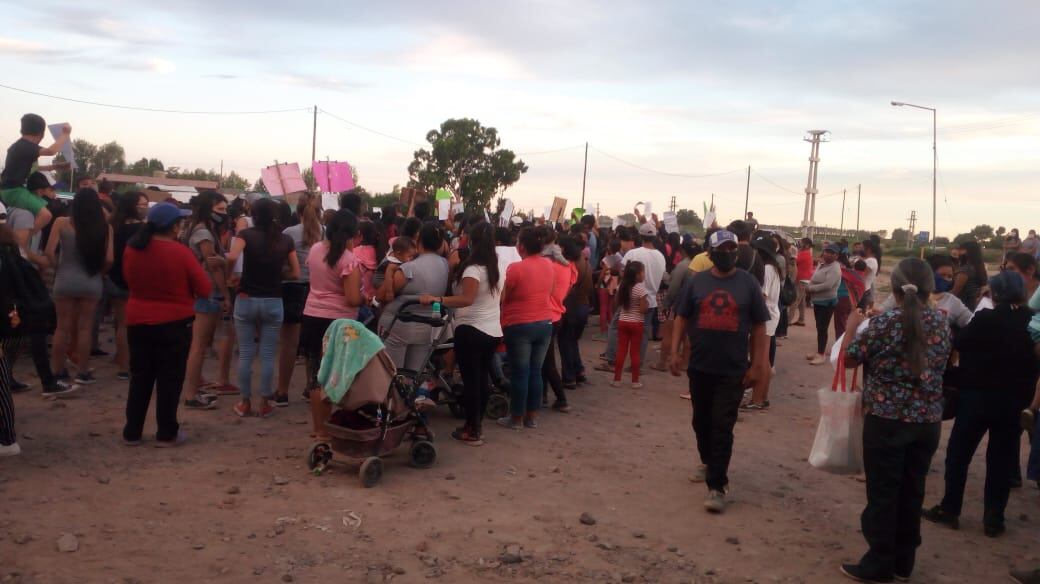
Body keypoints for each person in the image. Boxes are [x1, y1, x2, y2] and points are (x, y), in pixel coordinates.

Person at [838, 258, 952, 583]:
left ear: (896, 288)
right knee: (913, 490)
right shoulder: (942, 323)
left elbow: (848, 359)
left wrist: (850, 329)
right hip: (927, 420)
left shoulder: (885, 323)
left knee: (884, 493)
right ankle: (904, 561)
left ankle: (879, 563)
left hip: (887, 420)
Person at [922, 271, 1037, 538]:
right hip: (1015, 400)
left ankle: (950, 509)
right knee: (1001, 459)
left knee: (960, 453)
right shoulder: (1032, 319)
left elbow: (960, 342)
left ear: (993, 294)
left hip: (977, 396)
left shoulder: (986, 318)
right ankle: (994, 520)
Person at [669, 229, 769, 513]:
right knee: (701, 421)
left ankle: (717, 485)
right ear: (710, 254)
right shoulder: (697, 282)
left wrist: (758, 364)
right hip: (700, 366)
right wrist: (675, 351)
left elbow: (760, 326)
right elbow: (682, 317)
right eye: (721, 249)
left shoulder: (748, 283)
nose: (727, 253)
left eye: (731, 248)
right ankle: (708, 461)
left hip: (733, 369)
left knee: (722, 425)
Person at [121, 203, 210, 446]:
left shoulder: (133, 249)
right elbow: (204, 288)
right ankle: (166, 432)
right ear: (173, 226)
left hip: (138, 319)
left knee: (140, 377)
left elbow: (128, 279)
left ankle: (132, 431)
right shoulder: (180, 252)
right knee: (169, 379)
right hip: (174, 323)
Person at [419, 221, 501, 445]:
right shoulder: (494, 268)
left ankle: (472, 430)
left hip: (472, 330)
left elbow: (466, 299)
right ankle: (476, 426)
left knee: (472, 382)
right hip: (492, 330)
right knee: (481, 380)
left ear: (472, 241)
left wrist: (436, 299)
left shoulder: (474, 270)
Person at [225, 198, 299, 418]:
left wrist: (231, 275)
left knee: (247, 353)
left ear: (253, 215)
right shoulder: (285, 240)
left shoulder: (245, 236)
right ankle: (264, 402)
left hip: (246, 298)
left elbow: (232, 256)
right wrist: (278, 274)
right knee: (268, 354)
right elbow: (295, 273)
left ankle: (245, 402)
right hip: (274, 300)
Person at [300, 210, 363, 440]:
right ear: (352, 234)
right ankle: (333, 427)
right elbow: (353, 299)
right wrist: (366, 298)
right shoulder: (348, 260)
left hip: (312, 316)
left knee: (317, 376)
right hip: (339, 323)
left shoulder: (316, 250)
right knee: (337, 375)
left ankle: (319, 429)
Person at [45, 188, 112, 386]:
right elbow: (109, 259)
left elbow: (49, 252)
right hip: (91, 281)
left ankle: (58, 371)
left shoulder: (62, 223)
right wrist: (99, 274)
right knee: (85, 328)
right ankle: (83, 372)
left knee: (62, 328)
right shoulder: (105, 228)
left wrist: (59, 268)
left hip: (65, 279)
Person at [497, 226, 555, 431]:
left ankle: (516, 418)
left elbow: (505, 296)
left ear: (521, 246)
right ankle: (532, 416)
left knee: (520, 372)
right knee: (535, 371)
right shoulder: (549, 265)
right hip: (545, 322)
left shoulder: (516, 269)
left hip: (519, 324)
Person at [377, 223, 449, 372]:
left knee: (391, 372)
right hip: (428, 325)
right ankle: (416, 396)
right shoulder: (444, 264)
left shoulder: (409, 267)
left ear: (419, 241)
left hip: (398, 324)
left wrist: (389, 272)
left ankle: (394, 396)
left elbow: (381, 296)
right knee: (414, 374)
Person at [181, 191, 230, 409]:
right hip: (208, 291)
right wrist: (226, 293)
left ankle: (194, 388)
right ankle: (191, 394)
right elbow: (213, 266)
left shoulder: (197, 228)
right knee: (199, 346)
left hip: (200, 290)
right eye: (220, 209)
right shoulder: (204, 233)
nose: (224, 213)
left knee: (198, 345)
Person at [275, 194, 322, 407]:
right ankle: (311, 388)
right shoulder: (325, 233)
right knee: (314, 345)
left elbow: (281, 263)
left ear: (298, 212)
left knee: (289, 345)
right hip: (316, 290)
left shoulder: (288, 233)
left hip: (291, 289)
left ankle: (282, 392)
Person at [599, 223, 665, 374]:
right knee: (642, 334)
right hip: (650, 301)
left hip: (630, 298)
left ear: (640, 236)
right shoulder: (660, 257)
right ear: (654, 237)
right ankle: (636, 365)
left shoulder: (633, 254)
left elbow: (622, 273)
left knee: (616, 327)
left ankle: (612, 361)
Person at [1, 114, 70, 234]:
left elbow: (35, 168)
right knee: (46, 215)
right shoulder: (26, 146)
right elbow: (51, 151)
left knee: (43, 203)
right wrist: (65, 134)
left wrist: (57, 166)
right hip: (14, 191)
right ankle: (25, 241)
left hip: (12, 190)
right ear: (41, 134)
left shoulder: (20, 147)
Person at [107, 191, 148, 381]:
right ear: (132, 206)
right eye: (142, 205)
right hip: (135, 280)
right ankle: (127, 366)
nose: (145, 208)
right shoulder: (142, 229)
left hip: (114, 277)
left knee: (120, 322)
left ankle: (121, 360)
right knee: (131, 325)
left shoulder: (113, 226)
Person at [877, 254, 972, 330]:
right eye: (942, 275)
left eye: (949, 276)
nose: (946, 279)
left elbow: (971, 323)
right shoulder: (906, 292)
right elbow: (880, 314)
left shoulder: (952, 301)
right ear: (929, 275)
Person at [743, 234, 781, 410]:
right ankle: (762, 397)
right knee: (764, 359)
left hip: (766, 316)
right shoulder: (773, 268)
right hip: (772, 315)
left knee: (761, 359)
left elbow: (762, 295)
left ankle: (757, 399)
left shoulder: (766, 270)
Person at [540, 228, 576, 413]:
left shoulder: (546, 266)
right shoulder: (569, 267)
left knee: (547, 362)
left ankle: (561, 399)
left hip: (546, 315)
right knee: (544, 359)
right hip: (557, 314)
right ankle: (543, 396)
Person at [558, 236, 592, 389]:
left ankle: (569, 377)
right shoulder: (585, 262)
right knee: (572, 342)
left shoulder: (570, 266)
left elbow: (566, 290)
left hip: (571, 308)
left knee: (565, 343)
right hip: (583, 306)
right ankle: (579, 371)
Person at [612, 261, 648, 388]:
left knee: (621, 351)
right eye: (643, 271)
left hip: (623, 321)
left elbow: (617, 303)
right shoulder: (641, 290)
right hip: (636, 323)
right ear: (637, 275)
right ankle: (635, 381)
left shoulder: (622, 286)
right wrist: (646, 304)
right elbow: (643, 310)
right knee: (635, 353)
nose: (644, 274)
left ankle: (617, 379)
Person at [805, 243, 841, 365]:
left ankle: (821, 355)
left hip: (827, 302)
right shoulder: (822, 264)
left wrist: (811, 289)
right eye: (826, 251)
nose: (828, 254)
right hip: (818, 301)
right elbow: (815, 278)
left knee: (822, 328)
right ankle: (819, 351)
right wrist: (810, 285)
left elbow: (828, 285)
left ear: (837, 256)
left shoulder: (835, 268)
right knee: (819, 328)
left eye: (832, 253)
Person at [952, 240, 987, 311]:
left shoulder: (966, 270)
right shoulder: (979, 267)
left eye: (961, 250)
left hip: (964, 307)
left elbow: (954, 293)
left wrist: (939, 295)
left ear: (968, 252)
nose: (958, 252)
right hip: (975, 306)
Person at [790, 238, 814, 326]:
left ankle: (788, 320)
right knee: (801, 301)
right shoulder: (807, 253)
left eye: (801, 243)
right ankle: (801, 319)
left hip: (801, 279)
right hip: (804, 279)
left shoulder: (804, 253)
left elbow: (793, 260)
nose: (799, 244)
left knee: (795, 300)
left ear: (807, 245)